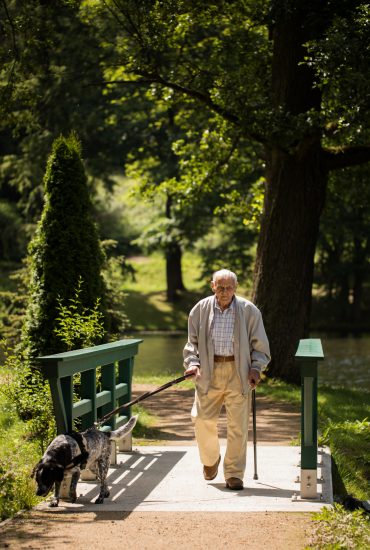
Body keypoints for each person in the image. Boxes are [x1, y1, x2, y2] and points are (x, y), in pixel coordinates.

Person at [183, 268, 270, 490]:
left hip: (238, 370)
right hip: (208, 372)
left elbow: (260, 346)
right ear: (212, 286)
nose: (224, 292)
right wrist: (193, 363)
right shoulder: (200, 309)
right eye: (220, 287)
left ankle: (234, 473)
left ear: (236, 287)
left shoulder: (249, 310)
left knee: (238, 426)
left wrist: (256, 368)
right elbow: (191, 343)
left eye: (228, 288)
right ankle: (211, 459)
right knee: (201, 419)